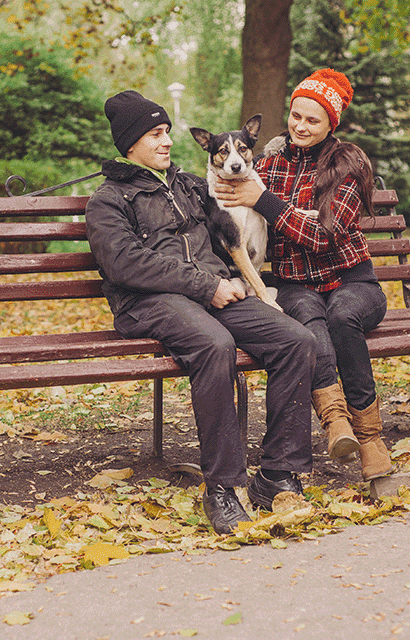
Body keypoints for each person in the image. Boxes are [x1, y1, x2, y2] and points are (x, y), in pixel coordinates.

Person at [85, 90, 318, 534]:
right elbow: (125, 264)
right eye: (156, 133)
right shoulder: (109, 199)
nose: (168, 141)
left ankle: (276, 476)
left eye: (168, 132)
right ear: (129, 143)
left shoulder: (189, 185)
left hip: (214, 291)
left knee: (296, 339)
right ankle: (224, 488)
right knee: (216, 345)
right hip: (149, 302)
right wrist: (206, 284)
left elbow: (233, 226)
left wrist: (227, 276)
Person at [216, 69, 394, 481]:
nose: (300, 126)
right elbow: (226, 190)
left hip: (353, 280)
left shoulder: (349, 163)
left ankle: (369, 438)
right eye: (296, 115)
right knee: (309, 321)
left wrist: (268, 202)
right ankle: (336, 425)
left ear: (332, 123)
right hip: (296, 284)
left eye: (312, 120)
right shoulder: (270, 163)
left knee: (342, 317)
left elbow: (325, 235)